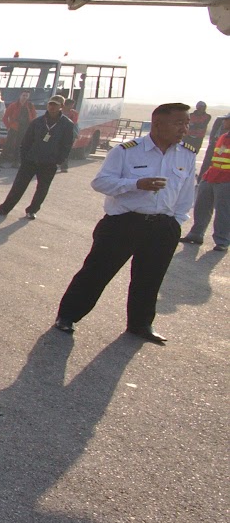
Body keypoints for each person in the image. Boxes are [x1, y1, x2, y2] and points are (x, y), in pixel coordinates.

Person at [53, 103, 196, 345]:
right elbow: (100, 183)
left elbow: (186, 194)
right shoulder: (127, 151)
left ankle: (140, 324)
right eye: (178, 123)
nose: (184, 128)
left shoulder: (186, 154)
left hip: (163, 226)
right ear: (158, 124)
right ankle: (68, 316)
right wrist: (135, 184)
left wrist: (177, 221)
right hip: (124, 223)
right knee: (96, 272)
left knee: (150, 278)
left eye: (186, 123)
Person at [0, 95, 78, 218]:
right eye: (50, 104)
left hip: (49, 162)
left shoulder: (67, 124)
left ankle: (32, 210)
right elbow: (26, 141)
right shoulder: (38, 122)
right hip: (31, 160)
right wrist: (24, 157)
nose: (52, 107)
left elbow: (67, 144)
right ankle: (4, 209)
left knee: (42, 188)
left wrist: (59, 160)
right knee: (18, 186)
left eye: (55, 105)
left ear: (61, 107)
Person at [181, 117, 230, 250]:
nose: (224, 122)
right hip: (211, 176)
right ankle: (196, 234)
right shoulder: (223, 136)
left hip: (226, 180)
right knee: (201, 207)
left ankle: (222, 241)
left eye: (227, 120)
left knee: (223, 212)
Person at [2, 91, 35, 167]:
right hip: (14, 127)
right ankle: (1, 161)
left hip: (25, 128)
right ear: (20, 95)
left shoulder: (30, 106)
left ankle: (16, 162)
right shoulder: (13, 105)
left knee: (20, 145)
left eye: (26, 96)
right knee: (8, 144)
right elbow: (5, 117)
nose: (25, 97)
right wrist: (8, 127)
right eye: (23, 95)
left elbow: (34, 117)